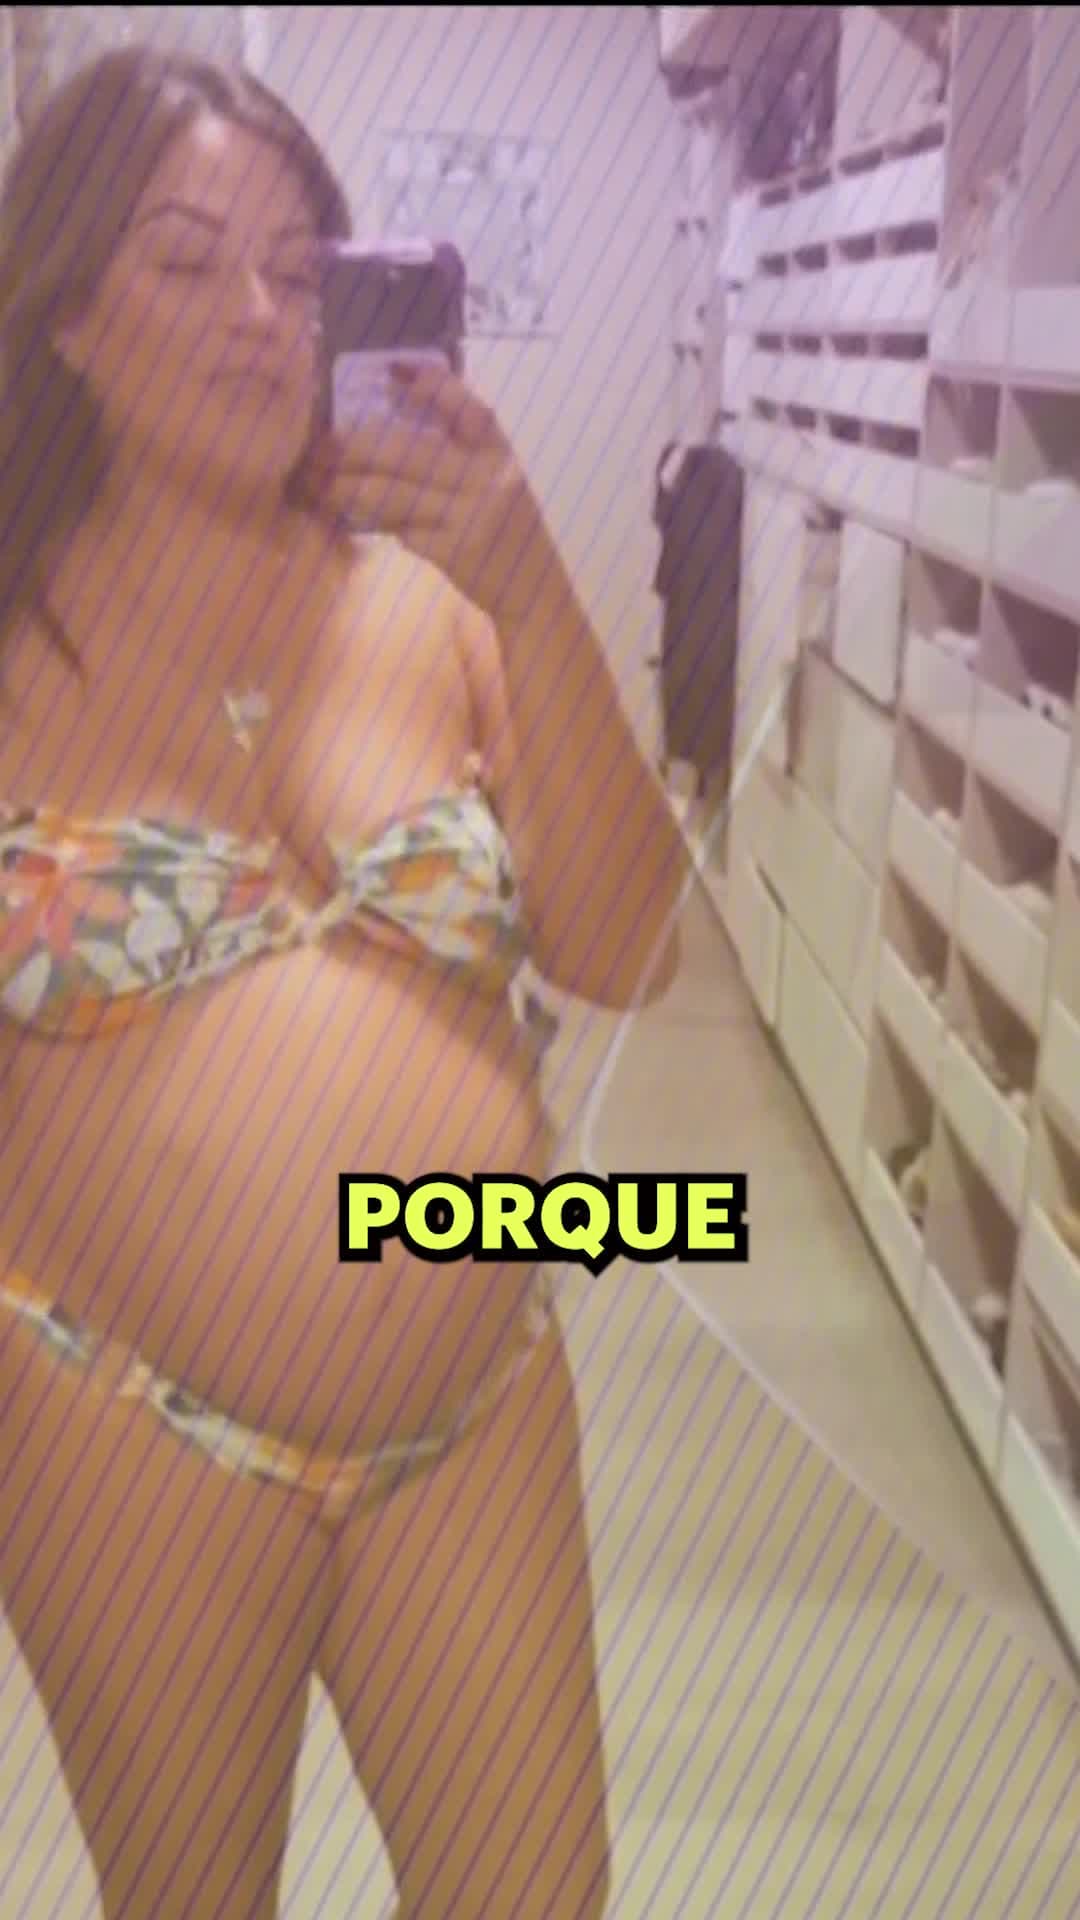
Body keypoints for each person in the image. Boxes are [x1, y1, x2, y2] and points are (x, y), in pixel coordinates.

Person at [0, 43, 687, 1920]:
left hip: (474, 1407)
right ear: (65, 316)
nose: (259, 314)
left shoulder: (441, 595)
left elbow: (629, 952)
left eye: (301, 272)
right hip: (119, 1415)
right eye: (185, 260)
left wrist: (532, 588)